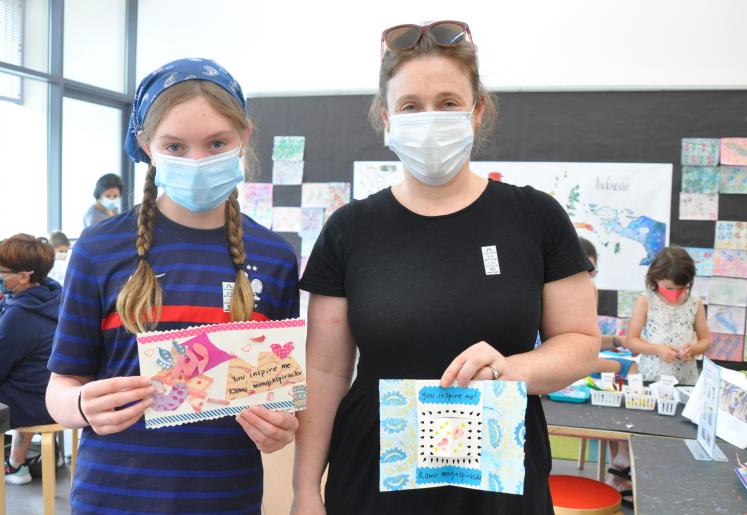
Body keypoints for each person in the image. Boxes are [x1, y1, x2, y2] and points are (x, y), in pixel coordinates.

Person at [292, 21, 599, 514]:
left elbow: (581, 345)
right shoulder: (349, 229)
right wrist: (305, 489)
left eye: (448, 103)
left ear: (477, 111)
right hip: (374, 477)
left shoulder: (535, 217)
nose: (429, 119)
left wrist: (508, 369)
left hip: (500, 478)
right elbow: (327, 369)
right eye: (411, 106)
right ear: (386, 117)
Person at [46, 58, 300, 514]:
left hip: (225, 499)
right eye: (175, 146)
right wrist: (81, 405)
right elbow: (61, 385)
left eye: (217, 143)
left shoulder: (275, 258)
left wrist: (280, 427)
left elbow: (279, 396)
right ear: (146, 146)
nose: (197, 161)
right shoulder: (99, 249)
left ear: (244, 137)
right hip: (113, 498)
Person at [0, 234, 60, 485]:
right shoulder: (42, 294)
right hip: (47, 389)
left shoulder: (21, 315)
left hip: (33, 400)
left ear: (23, 276)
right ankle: (11, 463)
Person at [625, 246, 711, 384]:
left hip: (686, 379)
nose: (675, 292)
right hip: (652, 377)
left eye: (682, 288)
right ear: (655, 278)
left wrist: (693, 349)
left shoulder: (694, 301)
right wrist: (658, 349)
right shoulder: (646, 300)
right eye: (669, 288)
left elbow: (706, 340)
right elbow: (632, 341)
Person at [579, 237, 638, 379]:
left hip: (580, 360)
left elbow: (589, 343)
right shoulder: (553, 294)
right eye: (585, 270)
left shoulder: (591, 289)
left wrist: (619, 341)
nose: (589, 276)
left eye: (592, 271)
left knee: (631, 366)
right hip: (563, 362)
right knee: (623, 367)